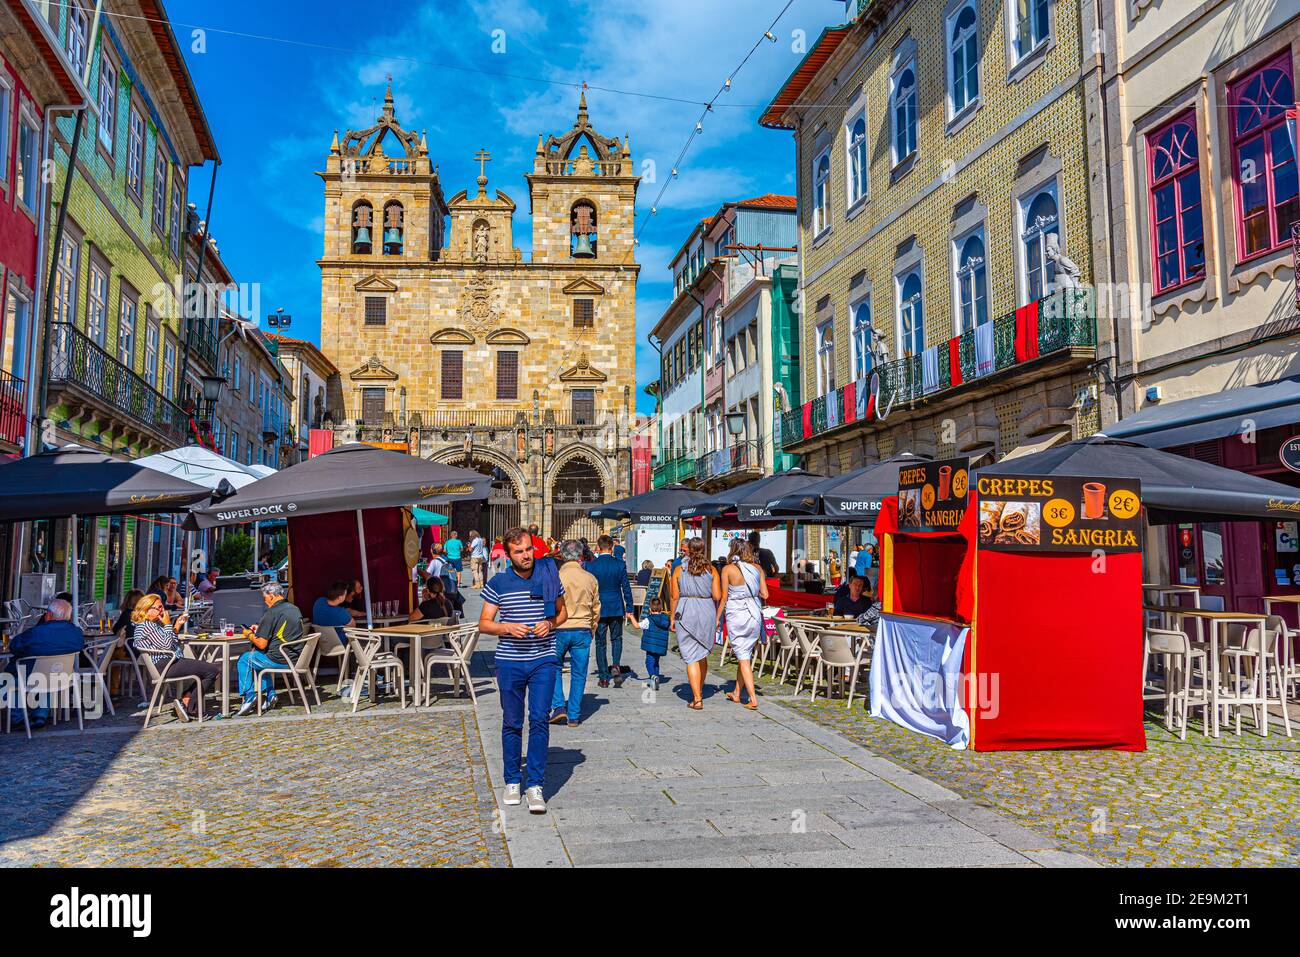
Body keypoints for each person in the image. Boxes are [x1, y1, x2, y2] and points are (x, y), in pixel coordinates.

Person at [479, 527, 568, 814]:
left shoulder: (548, 574)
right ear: (508, 555)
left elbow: (562, 611)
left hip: (543, 658)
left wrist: (551, 623)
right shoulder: (498, 583)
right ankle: (512, 780)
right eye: (519, 551)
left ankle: (536, 785)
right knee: (512, 722)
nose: (526, 555)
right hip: (510, 661)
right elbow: (484, 623)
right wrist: (506, 627)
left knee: (540, 720)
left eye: (528, 549)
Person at [131, 593, 219, 720]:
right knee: (212, 671)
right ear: (147, 610)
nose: (163, 610)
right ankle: (189, 704)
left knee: (210, 669)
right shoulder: (146, 626)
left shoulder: (155, 623)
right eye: (159, 607)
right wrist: (167, 624)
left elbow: (171, 641)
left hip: (171, 660)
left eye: (162, 606)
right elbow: (166, 645)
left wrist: (176, 626)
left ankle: (187, 699)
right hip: (165, 664)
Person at [7, 598, 86, 729]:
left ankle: (19, 718)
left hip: (31, 676)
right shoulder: (76, 633)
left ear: (48, 615)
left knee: (6, 681)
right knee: (49, 674)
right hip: (61, 677)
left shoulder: (36, 633)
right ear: (69, 616)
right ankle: (40, 715)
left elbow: (14, 646)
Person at [549, 539, 599, 727]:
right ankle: (575, 715)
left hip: (559, 628)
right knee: (579, 672)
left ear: (561, 555)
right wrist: (592, 628)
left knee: (554, 667)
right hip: (582, 628)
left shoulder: (556, 576)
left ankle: (559, 706)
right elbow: (596, 607)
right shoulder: (590, 578)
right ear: (580, 555)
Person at [668, 538, 721, 710]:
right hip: (706, 610)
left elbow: (674, 597)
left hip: (685, 610)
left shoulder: (678, 570)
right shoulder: (711, 569)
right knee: (702, 652)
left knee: (690, 656)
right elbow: (717, 596)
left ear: (688, 550)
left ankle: (697, 697)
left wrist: (671, 618)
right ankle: (699, 687)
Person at [236, 582, 304, 716]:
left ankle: (249, 696)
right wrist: (260, 629)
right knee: (259, 656)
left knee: (244, 659)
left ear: (272, 596)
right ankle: (270, 693)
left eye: (265, 597)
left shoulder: (271, 613)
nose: (265, 601)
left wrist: (249, 634)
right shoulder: (294, 608)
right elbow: (281, 629)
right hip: (296, 657)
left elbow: (261, 643)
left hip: (279, 659)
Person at [720, 539, 769, 710]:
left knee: (742, 656)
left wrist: (717, 619)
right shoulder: (757, 568)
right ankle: (736, 692)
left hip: (737, 614)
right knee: (745, 653)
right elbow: (765, 594)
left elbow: (724, 597)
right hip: (754, 613)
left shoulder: (727, 570)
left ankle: (753, 699)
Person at [588, 534, 638, 688]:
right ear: (612, 547)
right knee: (616, 638)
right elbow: (626, 587)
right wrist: (629, 606)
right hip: (616, 606)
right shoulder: (619, 565)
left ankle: (603, 676)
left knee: (600, 642)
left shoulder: (591, 566)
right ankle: (616, 665)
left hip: (600, 608)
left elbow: (589, 589)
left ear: (598, 547)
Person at [637, 597, 672, 691]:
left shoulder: (649, 620)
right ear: (661, 608)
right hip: (659, 647)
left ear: (649, 609)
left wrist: (631, 617)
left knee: (649, 662)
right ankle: (656, 678)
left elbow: (637, 626)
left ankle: (653, 677)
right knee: (656, 662)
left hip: (650, 646)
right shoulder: (665, 619)